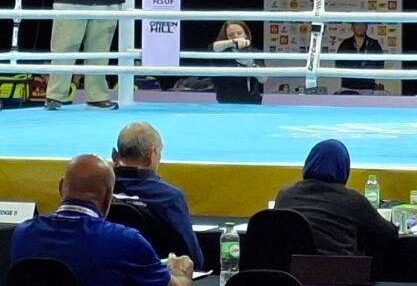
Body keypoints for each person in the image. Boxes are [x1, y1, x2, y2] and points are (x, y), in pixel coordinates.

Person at [11, 154, 194, 286]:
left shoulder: (23, 233)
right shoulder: (126, 242)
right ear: (108, 197)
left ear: (61, 188)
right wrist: (180, 273)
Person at [275, 140, 398, 255]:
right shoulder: (352, 200)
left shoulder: (285, 195)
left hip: (294, 274)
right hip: (341, 274)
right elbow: (389, 233)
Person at [111, 122, 203, 268]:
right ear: (151, 154)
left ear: (115, 154)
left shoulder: (98, 189)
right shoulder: (168, 198)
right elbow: (192, 260)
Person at [210, 20, 265, 104]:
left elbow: (263, 79)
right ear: (226, 37)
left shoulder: (255, 52)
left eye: (239, 33)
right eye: (231, 35)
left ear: (246, 34)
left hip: (252, 102)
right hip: (226, 103)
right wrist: (232, 43)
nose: (236, 37)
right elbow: (212, 47)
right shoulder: (221, 53)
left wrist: (251, 65)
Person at [337, 22, 384, 92]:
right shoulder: (345, 44)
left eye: (363, 24)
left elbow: (380, 65)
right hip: (348, 87)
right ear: (352, 27)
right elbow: (338, 65)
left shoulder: (374, 44)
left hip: (367, 88)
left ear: (366, 26)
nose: (360, 27)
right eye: (357, 24)